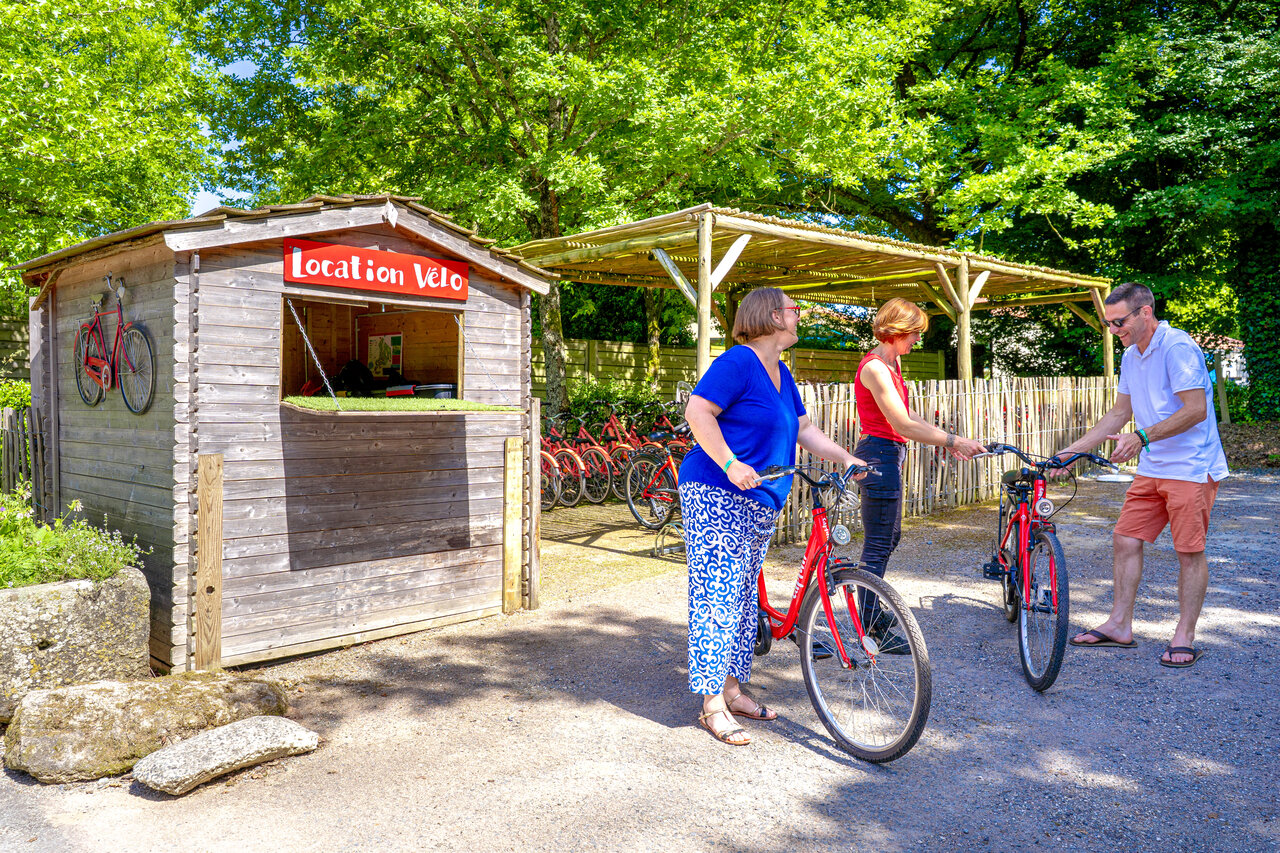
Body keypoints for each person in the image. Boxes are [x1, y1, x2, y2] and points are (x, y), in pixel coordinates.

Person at [679, 287, 864, 747]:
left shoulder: (780, 371)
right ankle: (711, 706)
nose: (798, 315)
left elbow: (802, 429)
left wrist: (845, 458)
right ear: (771, 316)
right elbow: (697, 411)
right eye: (793, 309)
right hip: (715, 489)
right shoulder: (737, 362)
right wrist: (729, 462)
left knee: (742, 599)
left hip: (760, 498)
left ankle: (734, 691)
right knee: (717, 596)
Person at [1050, 282, 1228, 668]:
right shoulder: (1131, 356)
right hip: (1153, 467)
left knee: (1188, 552)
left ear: (1145, 312)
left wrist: (1142, 436)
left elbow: (1196, 409)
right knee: (1126, 539)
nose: (1114, 331)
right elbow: (1117, 415)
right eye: (1109, 323)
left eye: (1119, 322)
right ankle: (1119, 625)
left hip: (1191, 467)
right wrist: (1070, 453)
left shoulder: (1177, 347)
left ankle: (1185, 636)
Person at [853, 298, 985, 648]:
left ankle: (870, 615)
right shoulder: (876, 368)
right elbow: (902, 424)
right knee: (879, 543)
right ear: (898, 330)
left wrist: (950, 442)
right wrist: (954, 439)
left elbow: (913, 420)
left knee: (889, 538)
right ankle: (870, 627)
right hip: (878, 456)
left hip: (887, 454)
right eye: (914, 334)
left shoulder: (890, 365)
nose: (917, 341)